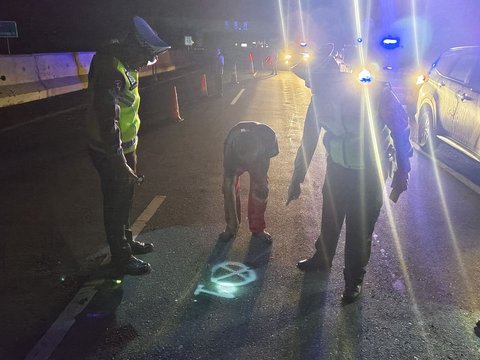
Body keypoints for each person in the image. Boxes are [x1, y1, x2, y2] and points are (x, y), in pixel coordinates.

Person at [287, 49, 412, 304]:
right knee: (330, 221)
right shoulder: (319, 99)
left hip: (369, 173)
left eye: (311, 79)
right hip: (338, 169)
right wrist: (296, 177)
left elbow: (400, 130)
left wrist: (403, 171)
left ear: (328, 77)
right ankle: (322, 260)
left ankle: (353, 280)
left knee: (359, 231)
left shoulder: (374, 93)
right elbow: (308, 140)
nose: (308, 84)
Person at [86, 16, 170, 275]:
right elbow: (107, 119)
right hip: (110, 149)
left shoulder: (126, 61)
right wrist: (119, 161)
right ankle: (120, 256)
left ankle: (126, 240)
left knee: (125, 197)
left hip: (125, 145)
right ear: (134, 46)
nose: (147, 63)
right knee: (115, 201)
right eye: (146, 56)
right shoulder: (112, 69)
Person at [219, 121, 279, 244]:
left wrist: (260, 180)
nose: (247, 164)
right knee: (227, 188)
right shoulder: (230, 150)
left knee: (261, 189)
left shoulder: (269, 139)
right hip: (239, 157)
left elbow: (263, 170)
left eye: (249, 160)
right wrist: (233, 221)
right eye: (244, 160)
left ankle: (258, 228)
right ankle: (231, 226)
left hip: (259, 159)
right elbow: (229, 185)